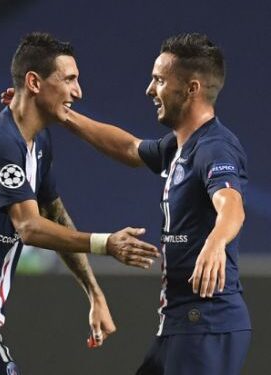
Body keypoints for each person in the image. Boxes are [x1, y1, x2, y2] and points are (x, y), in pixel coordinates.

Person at [0, 32, 160, 374]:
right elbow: (28, 227)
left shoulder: (39, 141)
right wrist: (106, 244)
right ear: (34, 81)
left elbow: (54, 215)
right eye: (69, 79)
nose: (78, 91)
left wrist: (93, 292)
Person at [53, 33, 250, 374]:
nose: (149, 90)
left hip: (206, 325)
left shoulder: (214, 148)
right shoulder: (179, 147)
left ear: (192, 88)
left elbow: (230, 203)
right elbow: (129, 148)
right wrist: (63, 115)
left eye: (159, 80)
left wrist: (217, 241)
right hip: (180, 325)